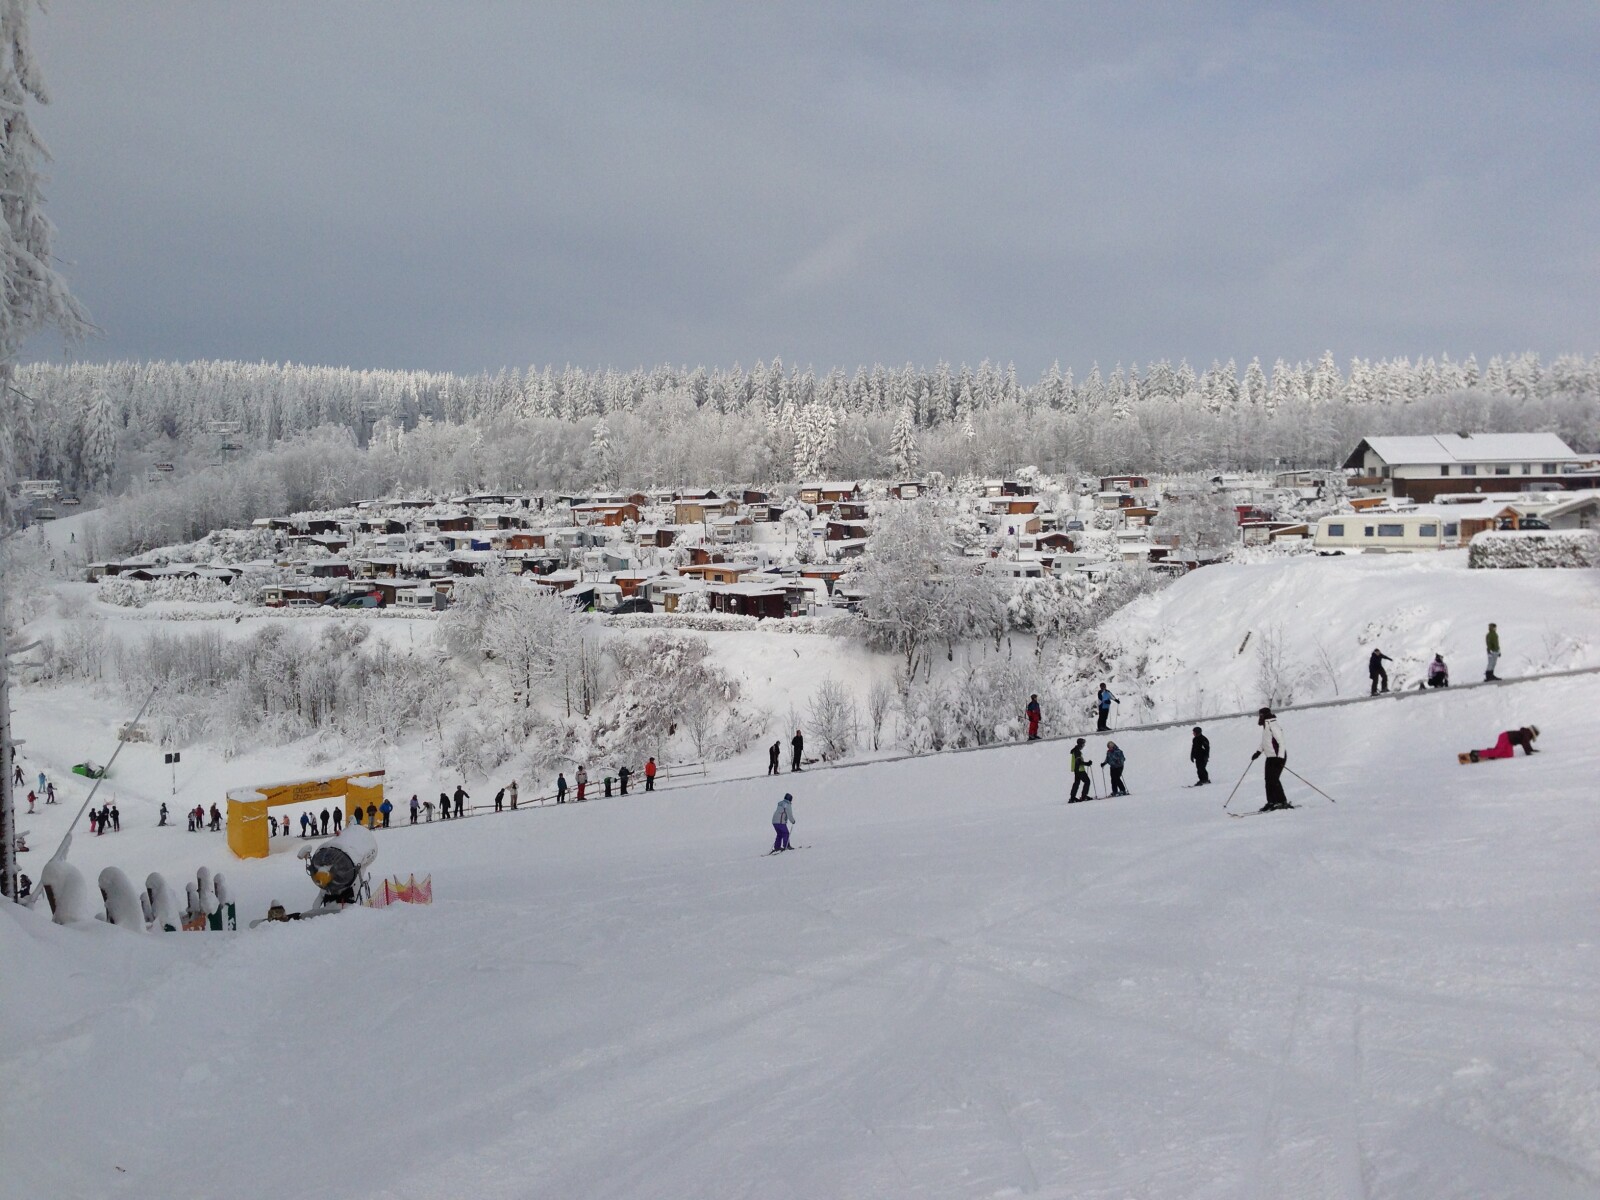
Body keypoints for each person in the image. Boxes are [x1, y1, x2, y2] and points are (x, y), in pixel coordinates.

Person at [1250, 706, 1290, 812]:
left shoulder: (1273, 726)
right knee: (1268, 780)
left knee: (1274, 779)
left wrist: (1280, 758)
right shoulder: (1266, 726)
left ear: (1265, 715)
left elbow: (1281, 743)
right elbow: (1265, 742)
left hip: (1277, 757)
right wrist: (1258, 752)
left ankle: (1282, 801)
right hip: (1270, 757)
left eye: (1261, 715)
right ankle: (1271, 802)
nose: (1259, 717)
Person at [1470, 725, 1539, 761]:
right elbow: (1525, 742)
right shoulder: (1527, 733)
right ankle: (1476, 753)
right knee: (1498, 751)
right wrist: (1528, 752)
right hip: (1505, 737)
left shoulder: (1526, 733)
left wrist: (1531, 750)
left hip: (1509, 741)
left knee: (1509, 755)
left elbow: (1526, 743)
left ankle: (1491, 753)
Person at [1068, 738, 1092, 802]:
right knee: (1087, 781)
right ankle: (1084, 796)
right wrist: (1087, 763)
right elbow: (1079, 762)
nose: (1084, 745)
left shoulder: (1075, 750)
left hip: (1076, 770)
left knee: (1076, 783)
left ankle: (1072, 798)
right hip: (1080, 769)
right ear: (1081, 744)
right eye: (1083, 744)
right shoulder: (1077, 751)